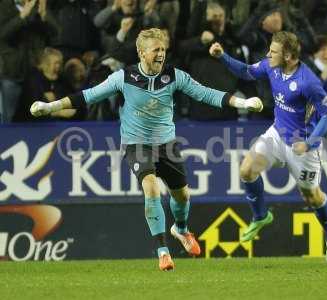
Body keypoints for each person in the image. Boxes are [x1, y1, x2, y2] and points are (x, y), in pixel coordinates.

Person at [30, 28, 263, 271]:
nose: (161, 54)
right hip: (136, 143)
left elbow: (206, 94)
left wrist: (242, 102)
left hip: (167, 144)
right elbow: (88, 96)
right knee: (150, 187)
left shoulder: (175, 76)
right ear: (142, 53)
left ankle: (181, 230)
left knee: (182, 196)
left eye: (163, 49)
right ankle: (163, 251)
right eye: (156, 50)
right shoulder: (123, 77)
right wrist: (50, 107)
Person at [209, 31, 327, 262]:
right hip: (277, 135)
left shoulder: (308, 82)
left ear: (288, 56)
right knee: (246, 170)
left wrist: (309, 143)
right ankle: (260, 216)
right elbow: (247, 71)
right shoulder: (271, 66)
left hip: (302, 145)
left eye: (274, 51)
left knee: (312, 197)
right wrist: (222, 57)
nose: (268, 54)